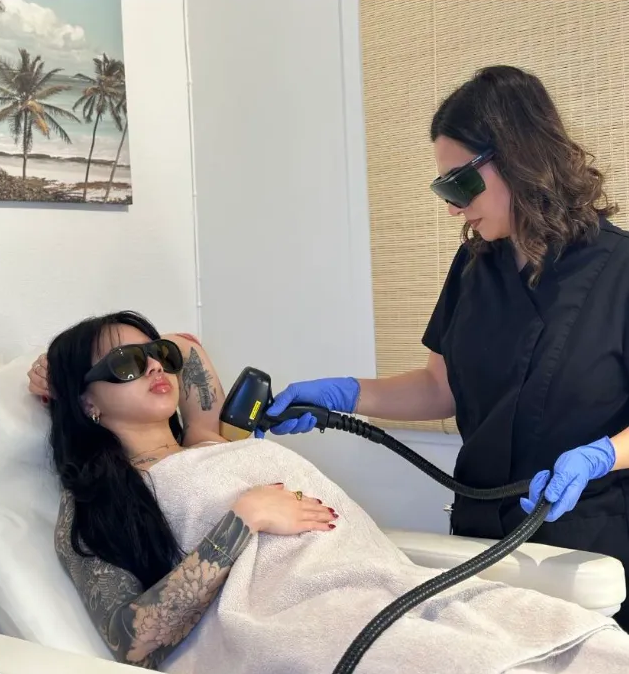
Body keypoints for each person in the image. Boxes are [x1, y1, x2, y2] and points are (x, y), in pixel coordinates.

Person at [26, 309, 629, 673]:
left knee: (579, 644)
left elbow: (186, 348)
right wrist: (241, 522)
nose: (157, 367)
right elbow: (133, 643)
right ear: (86, 402)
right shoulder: (100, 503)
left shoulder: (207, 438)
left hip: (388, 591)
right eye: (126, 365)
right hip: (300, 626)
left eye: (154, 355)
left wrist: (125, 351)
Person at [258, 64, 629, 631]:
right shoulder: (475, 264)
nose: (452, 207)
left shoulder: (620, 269)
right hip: (478, 538)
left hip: (589, 548)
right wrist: (344, 394)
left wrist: (601, 455)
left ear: (520, 158)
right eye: (443, 189)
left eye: (458, 184)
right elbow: (440, 387)